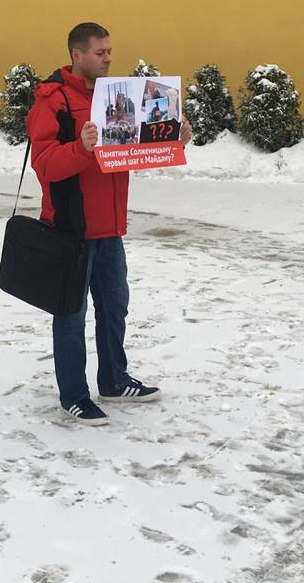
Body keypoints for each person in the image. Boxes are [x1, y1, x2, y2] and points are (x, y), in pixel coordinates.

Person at [26, 22, 191, 425]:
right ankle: (74, 396)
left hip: (110, 227)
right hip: (71, 228)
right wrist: (81, 149)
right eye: (99, 53)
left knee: (115, 307)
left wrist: (172, 138)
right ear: (76, 55)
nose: (107, 58)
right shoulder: (53, 101)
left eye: (109, 51)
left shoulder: (118, 96)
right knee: (70, 315)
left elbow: (131, 149)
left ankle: (114, 380)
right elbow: (44, 164)